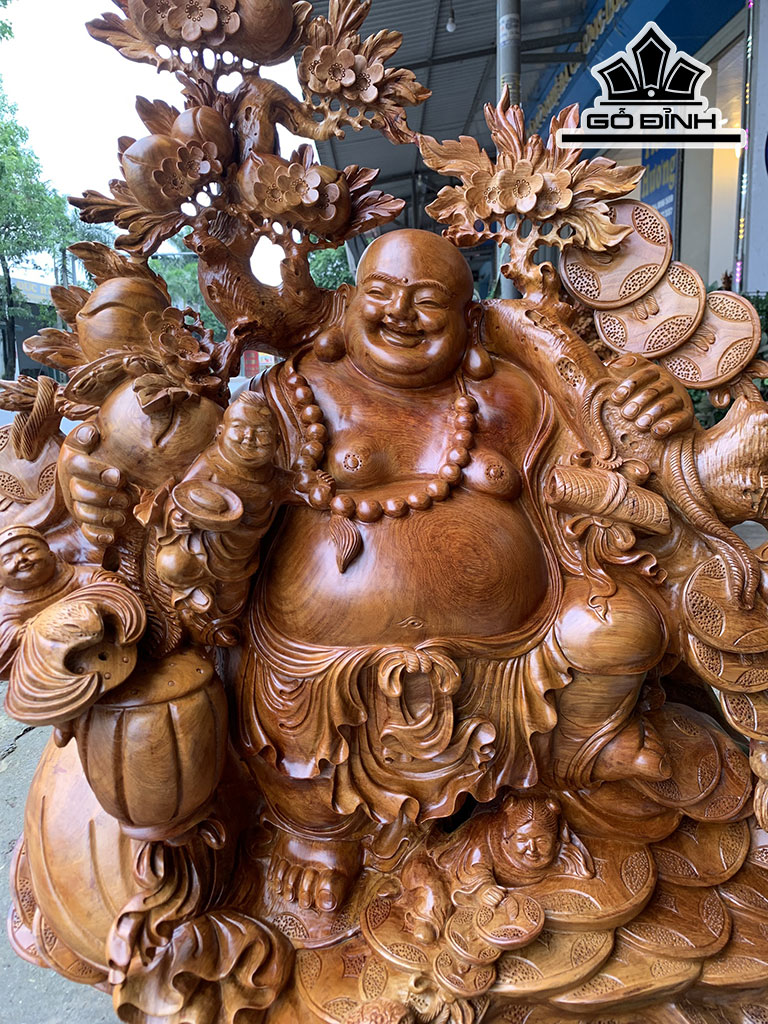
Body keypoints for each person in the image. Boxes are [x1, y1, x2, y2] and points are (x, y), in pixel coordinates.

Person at [57, 229, 694, 915]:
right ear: (350, 300)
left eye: (429, 301)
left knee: (623, 629)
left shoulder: (514, 396)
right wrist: (188, 484)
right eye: (382, 293)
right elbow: (214, 507)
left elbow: (604, 467)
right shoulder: (292, 392)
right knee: (289, 733)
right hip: (320, 663)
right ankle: (317, 833)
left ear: (468, 316)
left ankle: (563, 765)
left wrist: (653, 411)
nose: (401, 313)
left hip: (515, 652)